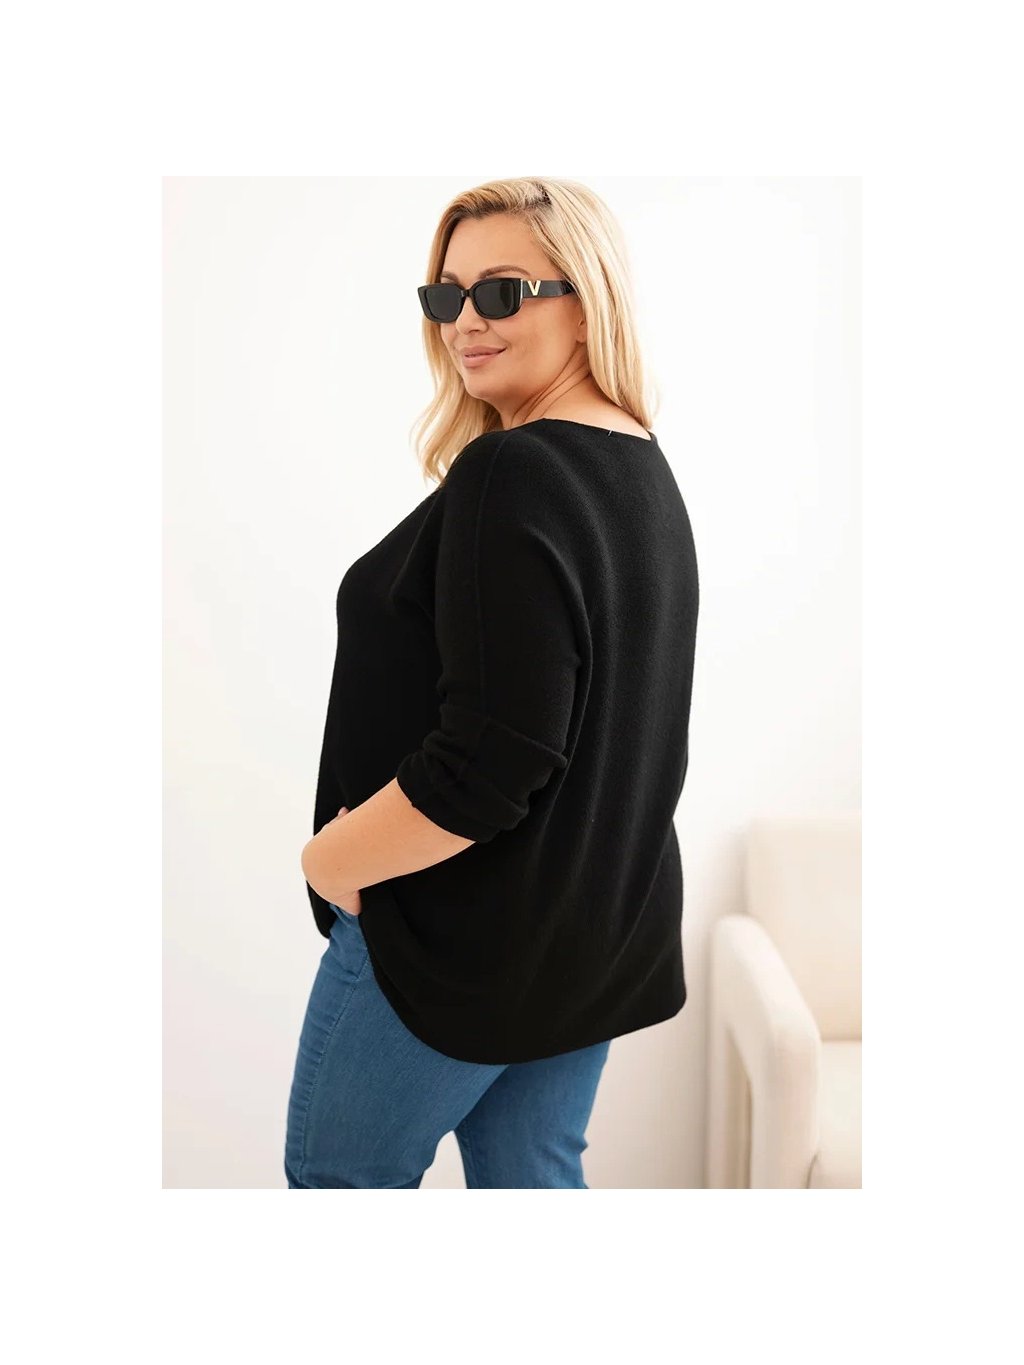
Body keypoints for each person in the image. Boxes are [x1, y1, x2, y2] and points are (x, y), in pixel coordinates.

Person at [285, 177, 699, 1189]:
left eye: (502, 292)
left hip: (458, 943)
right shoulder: (640, 465)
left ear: (586, 302)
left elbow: (490, 762)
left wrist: (329, 858)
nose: (466, 321)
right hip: (587, 938)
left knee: (337, 1188)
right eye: (447, 295)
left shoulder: (510, 474)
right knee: (533, 1180)